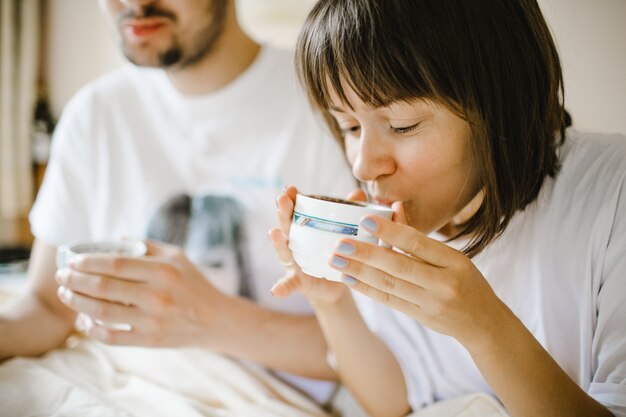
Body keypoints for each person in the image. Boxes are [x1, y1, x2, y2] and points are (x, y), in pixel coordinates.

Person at [269, 0, 626, 416]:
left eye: (402, 125)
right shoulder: (392, 220)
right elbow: (393, 401)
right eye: (349, 126)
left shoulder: (611, 194)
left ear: (500, 105)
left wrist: (485, 328)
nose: (364, 165)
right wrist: (331, 301)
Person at [0, 0, 356, 402]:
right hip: (96, 379)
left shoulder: (335, 108)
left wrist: (211, 318)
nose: (133, 4)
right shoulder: (94, 113)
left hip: (249, 397)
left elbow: (376, 348)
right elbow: (49, 306)